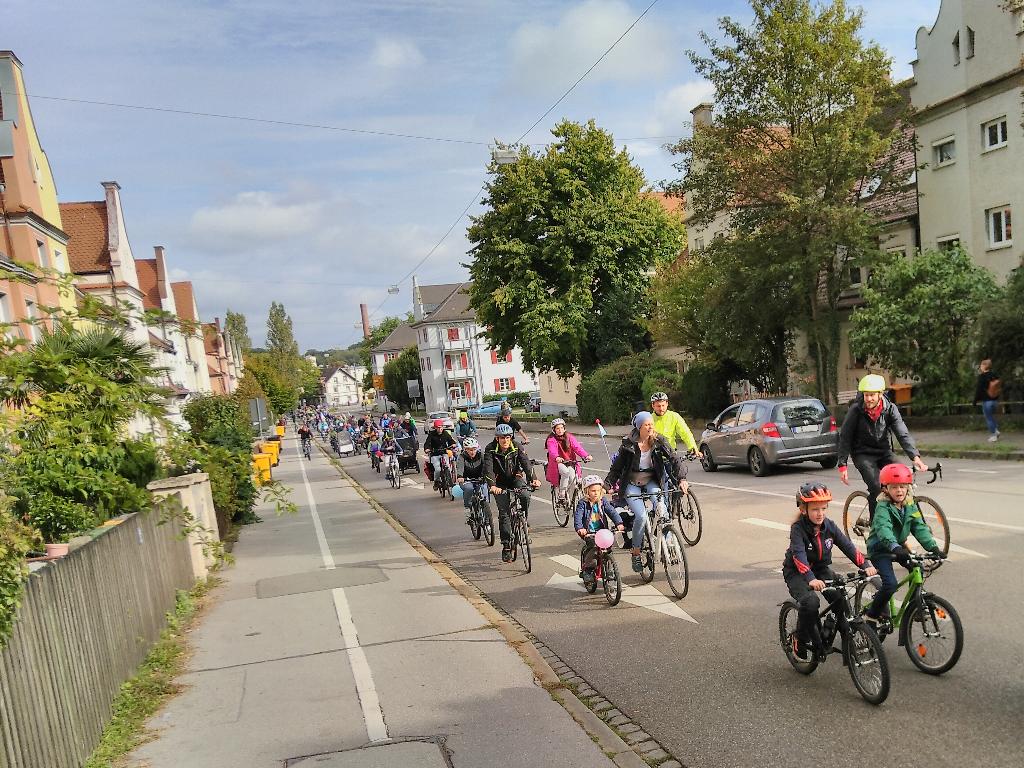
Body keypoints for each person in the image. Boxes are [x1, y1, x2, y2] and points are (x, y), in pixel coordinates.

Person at [783, 482, 877, 660]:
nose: (820, 514)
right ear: (804, 510)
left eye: (823, 508)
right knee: (810, 604)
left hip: (820, 569)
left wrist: (865, 565)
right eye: (815, 509)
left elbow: (848, 546)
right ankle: (799, 639)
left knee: (840, 599)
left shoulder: (829, 526)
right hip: (797, 572)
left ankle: (845, 637)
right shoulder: (798, 529)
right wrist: (810, 579)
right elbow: (799, 555)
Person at [863, 464, 944, 630]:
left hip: (897, 547)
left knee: (917, 568)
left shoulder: (910, 505)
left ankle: (916, 607)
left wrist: (933, 548)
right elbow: (884, 530)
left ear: (908, 488)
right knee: (890, 584)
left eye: (902, 487)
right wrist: (894, 547)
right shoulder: (882, 507)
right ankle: (871, 615)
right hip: (880, 549)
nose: (899, 491)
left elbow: (919, 527)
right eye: (894, 487)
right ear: (885, 489)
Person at [838, 374, 928, 520]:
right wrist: (842, 465)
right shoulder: (856, 410)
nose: (869, 399)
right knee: (876, 488)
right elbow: (845, 437)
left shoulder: (890, 409)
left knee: (903, 480)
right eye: (866, 395)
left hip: (884, 452)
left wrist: (915, 457)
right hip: (863, 454)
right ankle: (876, 529)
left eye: (872, 395)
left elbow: (902, 433)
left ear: (880, 394)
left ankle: (910, 522)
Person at [604, 411, 682, 573]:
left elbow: (675, 459)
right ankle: (636, 552)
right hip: (632, 483)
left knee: (662, 509)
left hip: (651, 481)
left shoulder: (659, 440)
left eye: (652, 424)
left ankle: (668, 542)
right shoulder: (628, 444)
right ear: (639, 427)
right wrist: (606, 485)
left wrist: (682, 479)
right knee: (641, 515)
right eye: (647, 424)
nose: (651, 427)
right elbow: (617, 468)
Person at [484, 423, 540, 562]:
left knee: (525, 495)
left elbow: (526, 463)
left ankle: (523, 520)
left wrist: (533, 479)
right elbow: (488, 468)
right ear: (497, 438)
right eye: (502, 438)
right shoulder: (490, 449)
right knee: (504, 514)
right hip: (499, 483)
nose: (505, 440)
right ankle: (507, 546)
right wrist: (492, 485)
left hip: (516, 477)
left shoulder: (516, 446)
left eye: (507, 437)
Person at [574, 475, 625, 589]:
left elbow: (611, 512)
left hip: (602, 532)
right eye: (593, 491)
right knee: (592, 547)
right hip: (589, 532)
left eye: (598, 491)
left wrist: (619, 523)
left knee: (608, 548)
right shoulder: (583, 503)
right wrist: (580, 528)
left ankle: (609, 568)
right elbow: (578, 516)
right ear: (587, 491)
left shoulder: (603, 501)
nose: (596, 493)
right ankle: (588, 570)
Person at [545, 418, 592, 508]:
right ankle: (562, 494)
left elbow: (577, 447)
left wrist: (586, 456)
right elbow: (552, 451)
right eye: (557, 428)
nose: (560, 430)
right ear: (554, 430)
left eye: (561, 428)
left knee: (574, 480)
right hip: (557, 463)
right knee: (565, 472)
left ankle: (571, 500)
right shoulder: (551, 439)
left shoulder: (569, 437)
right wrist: (557, 457)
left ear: (564, 428)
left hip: (569, 461)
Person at [649, 391, 701, 459]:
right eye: (658, 406)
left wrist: (693, 448)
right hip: (654, 455)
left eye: (663, 405)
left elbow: (685, 433)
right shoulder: (648, 418)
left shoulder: (674, 416)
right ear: (653, 405)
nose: (661, 409)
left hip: (671, 453)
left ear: (667, 404)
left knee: (680, 469)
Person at [456, 437, 490, 522]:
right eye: (469, 450)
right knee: (469, 489)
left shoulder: (481, 455)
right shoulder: (462, 457)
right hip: (467, 479)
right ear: (465, 449)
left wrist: (487, 475)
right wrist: (460, 476)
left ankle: (487, 520)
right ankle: (468, 508)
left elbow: (487, 466)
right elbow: (460, 467)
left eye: (474, 449)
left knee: (485, 493)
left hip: (480, 478)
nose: (472, 452)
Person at [423, 419, 458, 489]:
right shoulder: (431, 434)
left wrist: (453, 444)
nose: (440, 429)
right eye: (438, 427)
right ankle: (436, 482)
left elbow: (450, 440)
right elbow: (427, 443)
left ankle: (451, 482)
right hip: (435, 454)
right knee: (438, 469)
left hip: (444, 452)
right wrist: (427, 449)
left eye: (441, 427)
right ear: (435, 428)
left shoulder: (445, 433)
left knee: (447, 466)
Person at [973, 359, 1001, 442]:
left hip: (987, 401)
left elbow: (979, 390)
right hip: (995, 401)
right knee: (991, 417)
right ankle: (996, 431)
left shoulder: (982, 377)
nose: (980, 367)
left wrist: (975, 401)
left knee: (988, 418)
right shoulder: (995, 375)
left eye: (981, 365)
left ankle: (994, 435)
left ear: (985, 366)